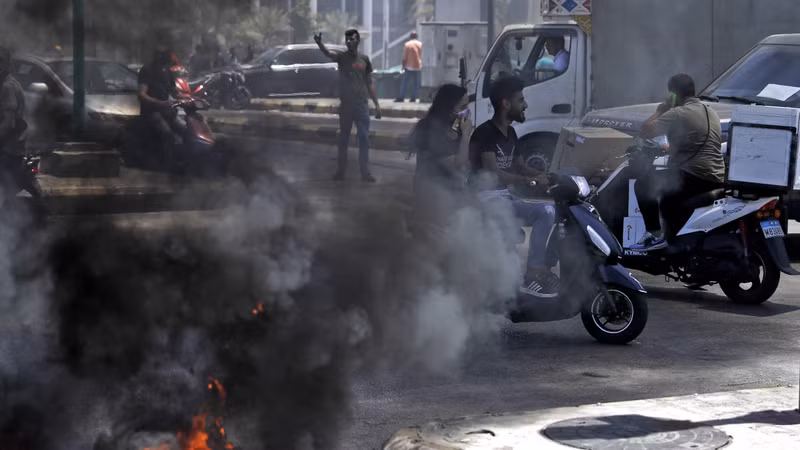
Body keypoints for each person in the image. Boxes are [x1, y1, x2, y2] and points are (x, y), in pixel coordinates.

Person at [468, 76, 557, 297]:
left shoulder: (512, 133)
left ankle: (536, 270)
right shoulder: (485, 133)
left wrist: (544, 174)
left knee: (548, 212)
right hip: (486, 199)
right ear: (505, 103)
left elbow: (519, 166)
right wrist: (527, 181)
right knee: (541, 212)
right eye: (521, 100)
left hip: (504, 197)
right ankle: (530, 275)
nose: (525, 105)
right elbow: (493, 172)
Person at [631, 73, 725, 251]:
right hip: (717, 175)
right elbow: (695, 141)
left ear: (673, 94)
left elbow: (645, 131)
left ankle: (655, 235)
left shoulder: (677, 113)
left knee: (644, 185)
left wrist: (661, 109)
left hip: (694, 175)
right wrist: (669, 148)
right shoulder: (711, 111)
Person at [315, 30, 382, 182]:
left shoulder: (364, 59)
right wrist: (320, 44)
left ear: (358, 41)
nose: (349, 42)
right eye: (347, 39)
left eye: (352, 39)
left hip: (361, 106)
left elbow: (369, 82)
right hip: (346, 106)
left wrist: (377, 104)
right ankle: (340, 172)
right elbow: (328, 54)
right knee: (343, 139)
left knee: (364, 138)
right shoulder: (342, 58)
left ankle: (365, 172)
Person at [410, 84, 472, 227]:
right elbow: (458, 163)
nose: (466, 112)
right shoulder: (430, 128)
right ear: (448, 106)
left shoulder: (455, 128)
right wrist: (466, 136)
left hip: (451, 193)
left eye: (467, 106)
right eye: (461, 107)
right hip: (433, 195)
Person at [0, 46, 37, 203]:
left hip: (8, 149)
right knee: (15, 185)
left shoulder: (7, 87)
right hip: (13, 148)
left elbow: (8, 123)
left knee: (10, 187)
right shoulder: (10, 83)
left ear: (6, 64)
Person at [137, 44, 185, 158]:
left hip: (167, 111)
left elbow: (175, 93)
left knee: (185, 130)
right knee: (166, 133)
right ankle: (166, 162)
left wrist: (191, 98)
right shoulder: (147, 70)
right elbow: (142, 94)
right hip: (152, 112)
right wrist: (159, 103)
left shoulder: (168, 71)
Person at [396, 32, 423, 103]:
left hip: (409, 66)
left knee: (405, 82)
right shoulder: (420, 44)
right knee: (416, 83)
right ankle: (413, 98)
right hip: (418, 66)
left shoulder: (407, 44)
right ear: (417, 37)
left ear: (410, 37)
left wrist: (403, 66)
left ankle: (401, 97)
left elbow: (404, 57)